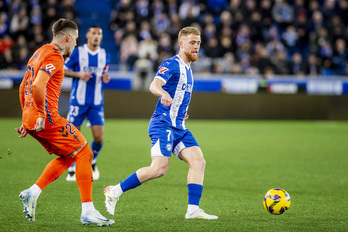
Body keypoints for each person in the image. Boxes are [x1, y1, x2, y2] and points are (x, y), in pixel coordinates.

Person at [104, 26, 218, 220]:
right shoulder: (171, 63)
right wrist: (163, 93)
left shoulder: (189, 69)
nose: (196, 47)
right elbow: (154, 85)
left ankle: (193, 210)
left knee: (199, 162)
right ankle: (115, 191)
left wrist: (182, 112)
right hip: (163, 124)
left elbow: (179, 96)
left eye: (198, 43)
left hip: (179, 126)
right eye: (192, 43)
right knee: (159, 169)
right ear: (181, 44)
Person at [15, 18, 114, 226]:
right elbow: (37, 86)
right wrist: (41, 114)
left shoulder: (38, 52)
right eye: (75, 39)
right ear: (67, 37)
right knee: (85, 152)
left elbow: (24, 84)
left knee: (71, 155)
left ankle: (32, 193)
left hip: (30, 117)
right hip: (47, 118)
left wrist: (27, 118)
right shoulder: (55, 56)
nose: (76, 44)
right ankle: (88, 211)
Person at [64, 25, 111, 181]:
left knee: (98, 138)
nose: (97, 36)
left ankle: (93, 159)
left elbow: (103, 73)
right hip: (78, 100)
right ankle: (72, 165)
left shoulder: (105, 55)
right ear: (88, 35)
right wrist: (79, 74)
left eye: (99, 33)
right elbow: (64, 70)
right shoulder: (79, 52)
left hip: (96, 102)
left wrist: (105, 77)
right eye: (94, 33)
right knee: (74, 135)